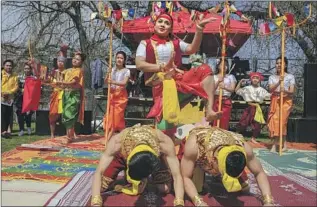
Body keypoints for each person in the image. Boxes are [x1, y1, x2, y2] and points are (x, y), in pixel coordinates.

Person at [135, 12, 221, 137]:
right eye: (160, 22)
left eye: (167, 23)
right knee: (165, 124)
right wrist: (162, 67)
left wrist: (199, 29)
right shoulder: (145, 43)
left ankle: (209, 110)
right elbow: (139, 64)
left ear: (170, 29)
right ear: (154, 25)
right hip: (159, 81)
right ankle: (165, 140)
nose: (163, 25)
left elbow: (192, 49)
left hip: (178, 79)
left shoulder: (175, 43)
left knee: (205, 69)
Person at [91, 125, 185, 207]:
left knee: (165, 188)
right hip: (122, 156)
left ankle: (142, 182)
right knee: (101, 187)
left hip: (153, 157)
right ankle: (132, 180)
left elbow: (177, 175)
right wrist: (96, 202)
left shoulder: (163, 142)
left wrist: (179, 202)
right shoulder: (118, 141)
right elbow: (99, 172)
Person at [179, 126, 274, 206]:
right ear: (214, 160)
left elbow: (259, 172)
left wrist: (268, 200)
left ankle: (239, 178)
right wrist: (198, 202)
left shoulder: (244, 147)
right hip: (201, 155)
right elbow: (185, 176)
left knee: (244, 189)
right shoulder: (195, 145)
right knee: (196, 187)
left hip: (222, 148)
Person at [57, 52, 85, 144]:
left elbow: (73, 82)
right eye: (74, 58)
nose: (75, 60)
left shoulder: (78, 71)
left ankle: (69, 137)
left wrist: (63, 83)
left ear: (81, 62)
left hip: (73, 95)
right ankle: (70, 135)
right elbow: (60, 74)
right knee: (65, 114)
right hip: (66, 93)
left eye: (77, 59)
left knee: (70, 114)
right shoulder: (68, 70)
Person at [267, 56, 295, 152]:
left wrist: (285, 90)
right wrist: (279, 82)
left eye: (281, 63)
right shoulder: (272, 77)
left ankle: (284, 144)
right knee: (274, 121)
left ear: (285, 65)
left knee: (282, 122)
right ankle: (275, 145)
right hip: (275, 100)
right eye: (277, 63)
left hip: (285, 101)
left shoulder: (290, 76)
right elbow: (270, 89)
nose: (279, 65)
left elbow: (292, 91)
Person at [235, 72, 271, 143]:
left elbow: (270, 95)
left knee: (257, 124)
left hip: (257, 108)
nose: (255, 79)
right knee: (243, 122)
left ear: (259, 80)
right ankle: (237, 135)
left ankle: (253, 138)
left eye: (257, 78)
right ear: (251, 79)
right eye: (254, 78)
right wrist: (240, 82)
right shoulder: (247, 88)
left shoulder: (262, 90)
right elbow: (236, 91)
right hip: (249, 106)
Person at [103, 51, 130, 142]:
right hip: (112, 95)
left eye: (121, 58)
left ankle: (108, 138)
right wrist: (108, 73)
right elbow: (106, 82)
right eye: (118, 57)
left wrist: (113, 82)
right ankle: (124, 137)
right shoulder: (112, 69)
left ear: (124, 60)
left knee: (117, 117)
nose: (119, 59)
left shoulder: (126, 71)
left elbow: (124, 83)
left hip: (121, 96)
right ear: (115, 58)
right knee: (110, 116)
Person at [212, 59, 237, 130]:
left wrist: (224, 87)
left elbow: (232, 89)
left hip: (226, 100)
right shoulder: (214, 77)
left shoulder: (231, 77)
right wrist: (218, 83)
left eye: (226, 65)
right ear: (218, 66)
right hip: (216, 99)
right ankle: (215, 134)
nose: (224, 66)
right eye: (222, 64)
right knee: (215, 118)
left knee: (224, 118)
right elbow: (211, 90)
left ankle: (223, 134)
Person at [15, 63, 36, 136]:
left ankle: (29, 127)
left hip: (29, 99)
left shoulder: (33, 78)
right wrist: (21, 90)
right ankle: (21, 130)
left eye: (28, 68)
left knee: (28, 114)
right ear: (23, 69)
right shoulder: (19, 77)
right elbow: (16, 87)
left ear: (31, 69)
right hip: (20, 98)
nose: (27, 70)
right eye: (25, 68)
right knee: (20, 114)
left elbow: (36, 89)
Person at [48, 56, 66, 138]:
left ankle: (69, 134)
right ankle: (52, 134)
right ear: (57, 62)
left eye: (62, 61)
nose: (60, 62)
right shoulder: (53, 72)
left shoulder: (67, 72)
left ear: (64, 63)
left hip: (64, 94)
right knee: (53, 114)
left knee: (66, 114)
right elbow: (48, 81)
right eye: (59, 61)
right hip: (55, 93)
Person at [1, 60, 19, 138]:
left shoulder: (15, 76)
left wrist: (9, 92)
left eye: (10, 65)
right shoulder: (1, 74)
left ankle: (9, 131)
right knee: (2, 115)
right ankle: (2, 131)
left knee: (9, 115)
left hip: (10, 99)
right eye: (7, 65)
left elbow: (16, 87)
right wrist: (2, 93)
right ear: (4, 66)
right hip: (1, 98)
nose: (8, 67)